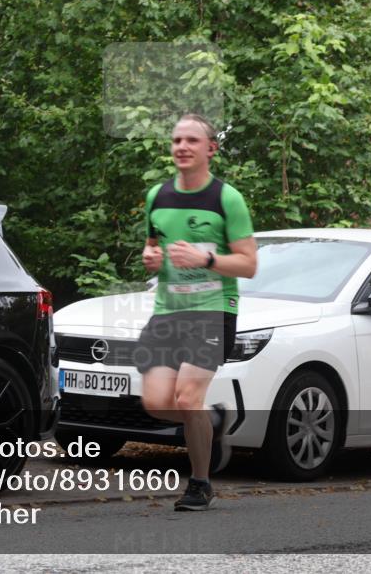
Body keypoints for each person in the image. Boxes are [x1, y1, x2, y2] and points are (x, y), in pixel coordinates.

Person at [136, 113, 257, 511]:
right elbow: (153, 245)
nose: (182, 147)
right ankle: (213, 421)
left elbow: (249, 264)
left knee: (188, 399)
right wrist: (151, 257)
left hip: (212, 310)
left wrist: (206, 259)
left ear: (211, 149)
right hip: (168, 310)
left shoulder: (227, 199)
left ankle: (200, 484)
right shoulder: (157, 196)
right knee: (156, 403)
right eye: (177, 140)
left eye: (191, 140)